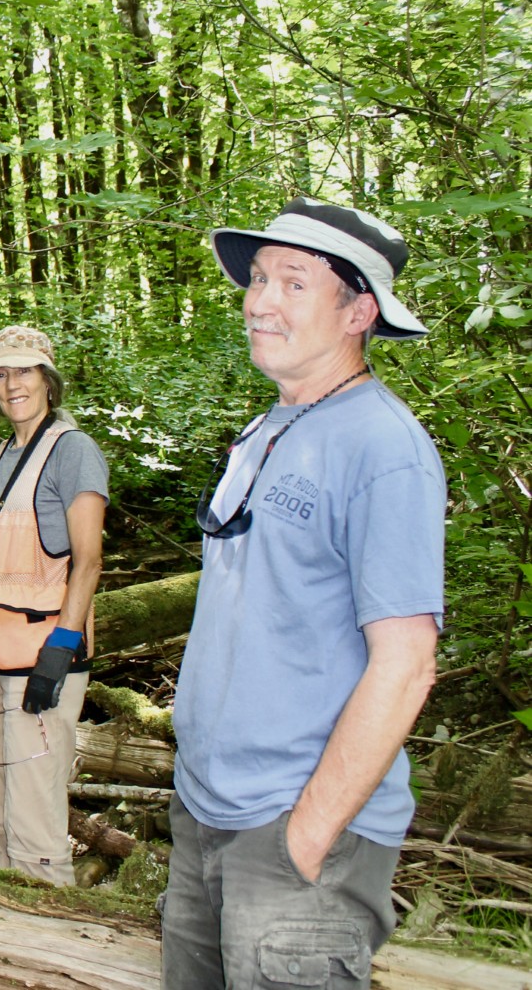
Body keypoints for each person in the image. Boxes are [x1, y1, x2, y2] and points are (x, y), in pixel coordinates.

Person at [162, 198, 444, 988]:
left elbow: (407, 665)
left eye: (293, 282)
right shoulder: (272, 429)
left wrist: (306, 836)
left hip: (293, 833)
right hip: (207, 815)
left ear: (360, 311)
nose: (259, 301)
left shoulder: (383, 448)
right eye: (257, 279)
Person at [0, 325, 108, 886]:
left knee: (35, 822)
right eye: (1, 373)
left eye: (24, 370)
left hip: (41, 660)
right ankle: (3, 941)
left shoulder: (73, 450)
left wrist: (62, 648)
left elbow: (88, 560)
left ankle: (50, 946)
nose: (12, 383)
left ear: (47, 379)